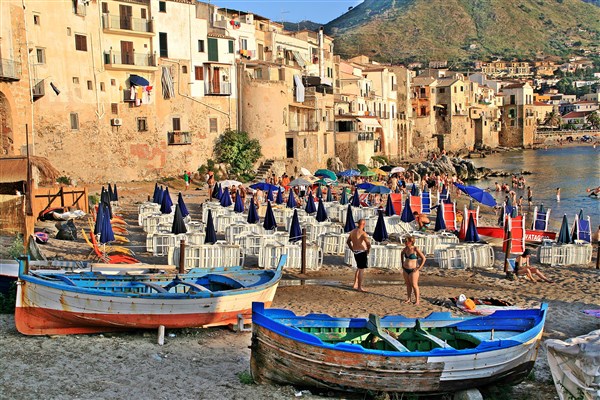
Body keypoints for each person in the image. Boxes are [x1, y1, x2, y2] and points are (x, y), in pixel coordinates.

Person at [346, 219, 371, 292]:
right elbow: (368, 244)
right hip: (361, 252)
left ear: (357, 224)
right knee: (361, 270)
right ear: (363, 224)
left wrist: (352, 249)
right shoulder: (363, 233)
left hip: (356, 252)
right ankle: (359, 287)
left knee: (358, 268)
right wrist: (368, 250)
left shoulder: (353, 231)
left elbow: (348, 242)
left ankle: (355, 284)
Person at [401, 236, 426, 305]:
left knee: (414, 285)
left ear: (411, 242)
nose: (405, 242)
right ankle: (409, 299)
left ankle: (417, 300)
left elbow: (424, 258)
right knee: (408, 284)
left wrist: (419, 268)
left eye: (406, 241)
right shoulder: (405, 249)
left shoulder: (415, 249)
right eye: (405, 241)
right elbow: (402, 254)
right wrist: (402, 263)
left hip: (413, 270)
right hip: (405, 269)